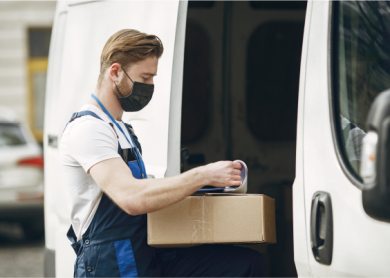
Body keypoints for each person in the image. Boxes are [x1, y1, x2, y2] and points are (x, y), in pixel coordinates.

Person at [60, 29, 265, 278]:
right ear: (115, 72)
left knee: (244, 264)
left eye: (152, 78)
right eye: (145, 78)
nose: (150, 87)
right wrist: (203, 175)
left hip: (143, 252)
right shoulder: (89, 129)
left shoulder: (122, 129)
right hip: (111, 260)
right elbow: (131, 198)